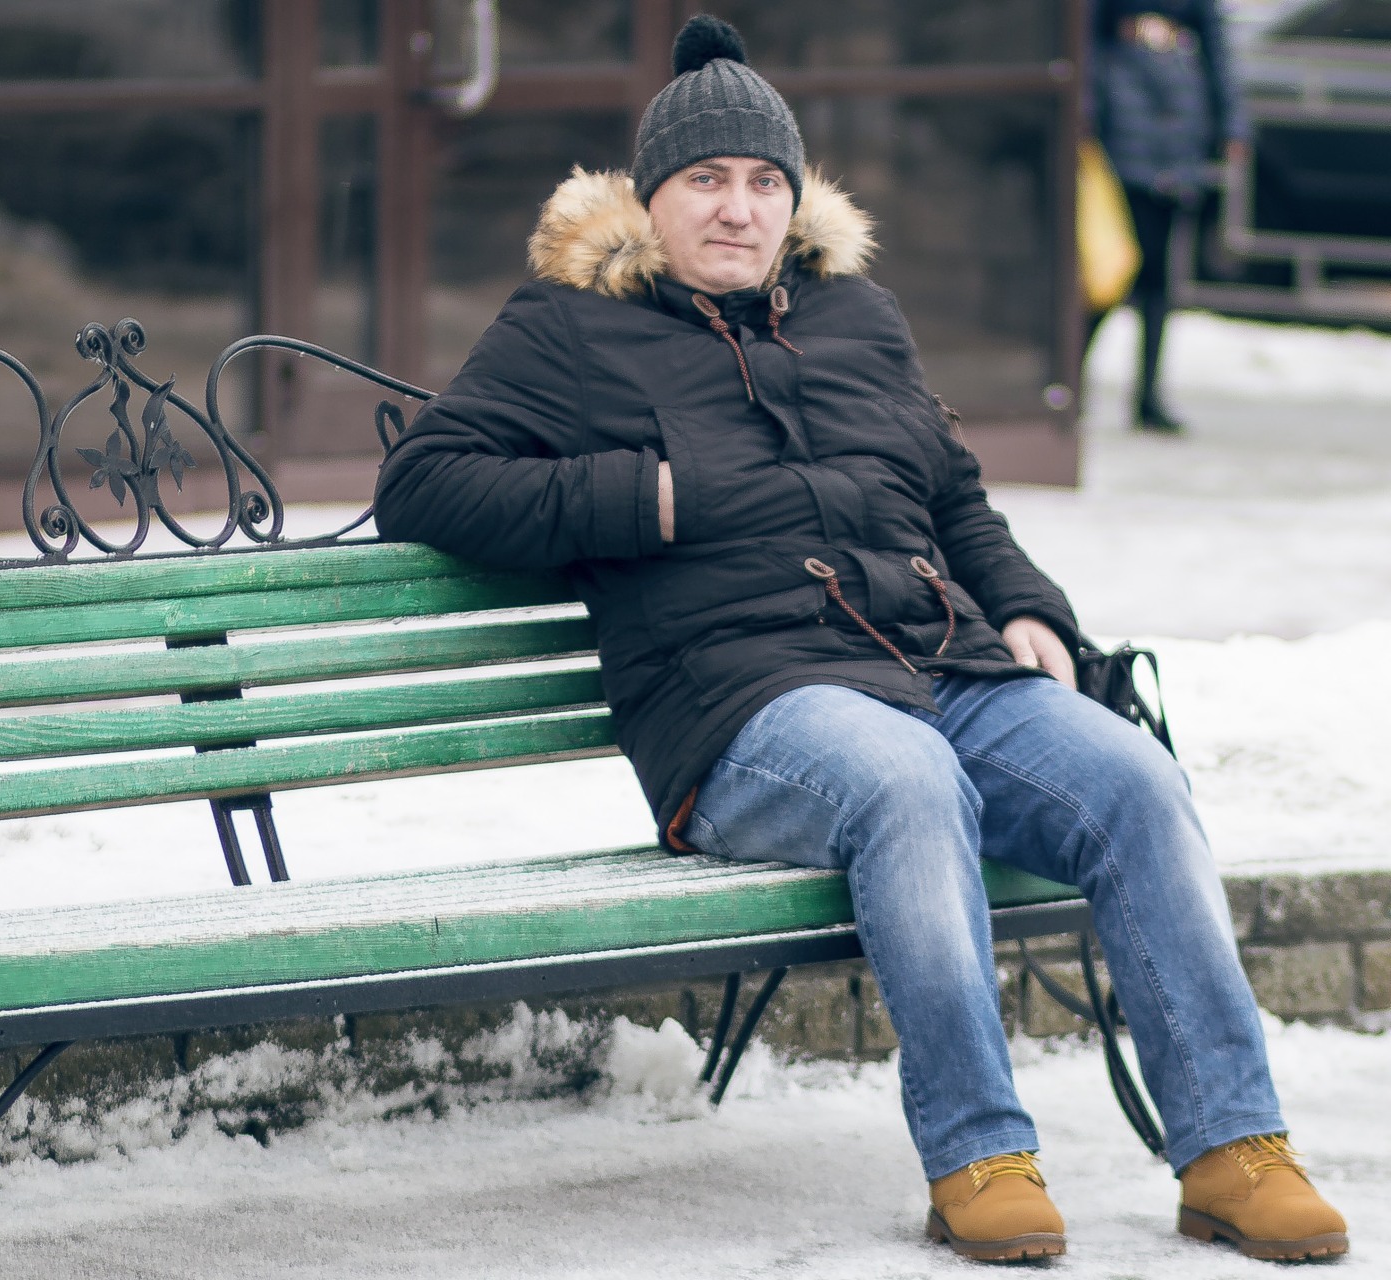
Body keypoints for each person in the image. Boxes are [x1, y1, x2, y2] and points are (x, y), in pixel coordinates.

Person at [375, 14, 1344, 1266]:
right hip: (744, 707)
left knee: (1136, 781)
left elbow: (953, 496)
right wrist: (641, 496)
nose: (737, 208)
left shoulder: (856, 316)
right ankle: (980, 1154)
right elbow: (425, 483)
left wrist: (1032, 609)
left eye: (762, 181)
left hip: (936, 663)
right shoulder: (570, 327)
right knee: (908, 778)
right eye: (706, 180)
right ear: (652, 196)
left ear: (794, 199)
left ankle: (1231, 1148)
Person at [1087, 1, 1249, 433]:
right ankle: (1070, 384)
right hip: (1121, 122)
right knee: (1114, 269)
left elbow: (1215, 45)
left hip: (1177, 127)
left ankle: (1148, 395)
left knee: (1157, 276)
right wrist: (1086, 114)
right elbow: (1085, 38)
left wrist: (1232, 125)